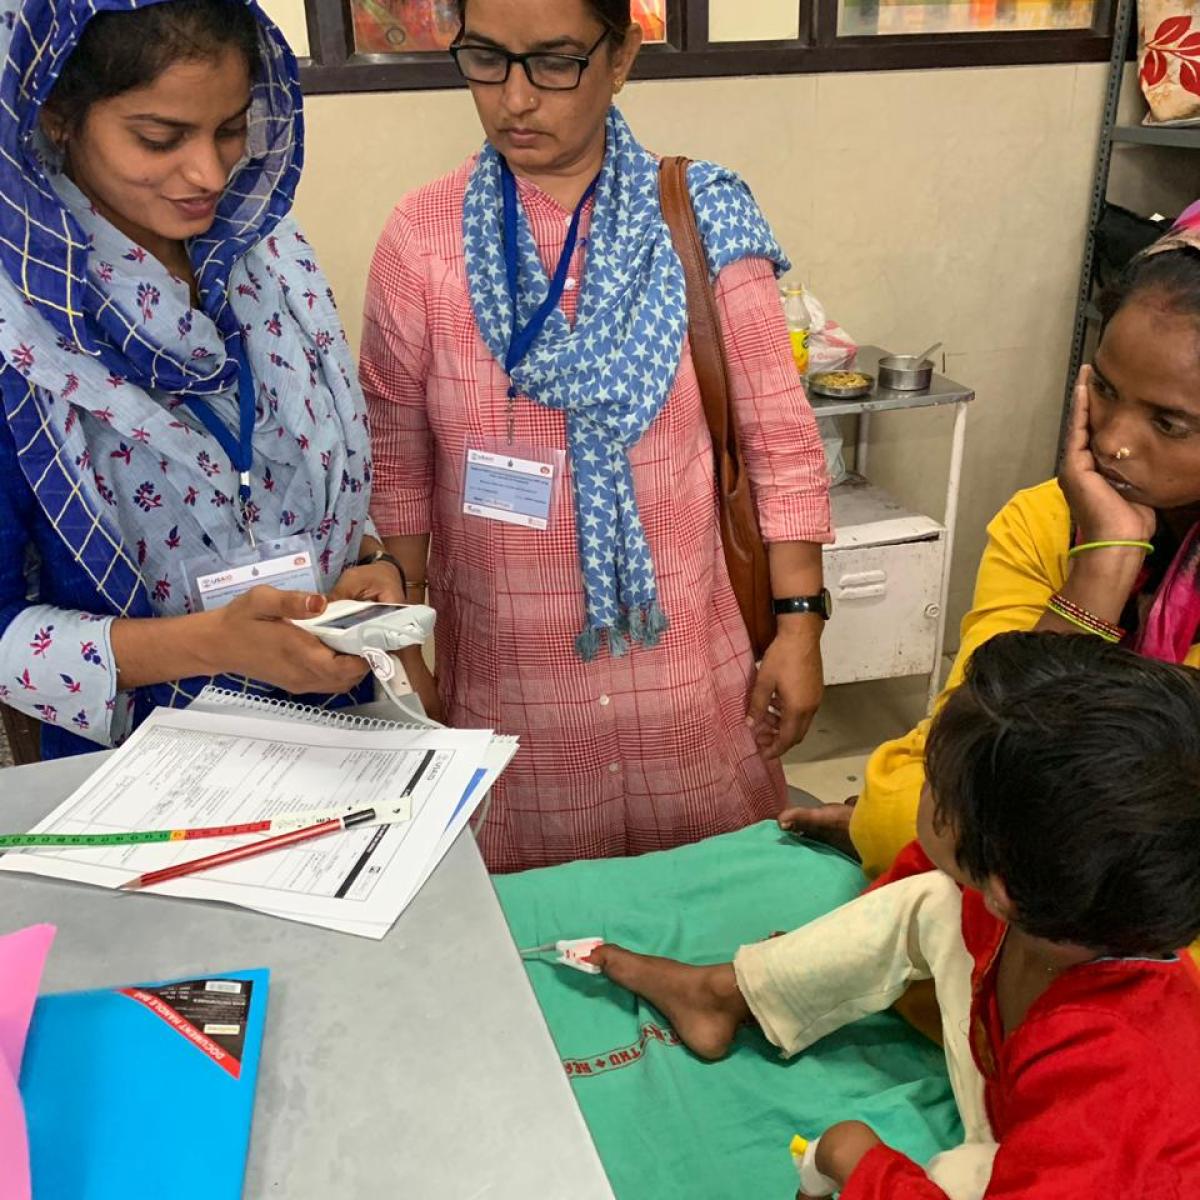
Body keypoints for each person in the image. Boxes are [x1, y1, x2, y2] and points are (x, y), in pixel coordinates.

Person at [362, 0, 832, 872]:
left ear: (620, 57)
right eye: (485, 60)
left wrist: (800, 626)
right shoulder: (422, 238)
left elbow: (780, 436)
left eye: (553, 62)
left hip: (687, 687)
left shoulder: (702, 217)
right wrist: (400, 644)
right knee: (536, 951)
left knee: (707, 925)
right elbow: (395, 451)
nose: (514, 98)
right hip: (514, 699)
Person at [590, 632, 1200, 1198]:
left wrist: (857, 1161)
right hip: (1015, 1090)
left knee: (956, 1171)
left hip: (1035, 1158)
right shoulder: (1056, 904)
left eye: (931, 780)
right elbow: (924, 879)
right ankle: (724, 995)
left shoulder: (1117, 1087)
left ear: (1003, 887)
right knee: (933, 899)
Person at [0, 0, 412, 760]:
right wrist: (210, 645)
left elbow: (287, 484)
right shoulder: (23, 331)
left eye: (230, 128)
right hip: (146, 775)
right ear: (57, 114)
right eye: (160, 138)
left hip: (338, 729)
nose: (209, 173)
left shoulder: (271, 259)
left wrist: (367, 564)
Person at [782, 205, 1200, 928]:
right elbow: (980, 744)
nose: (1117, 443)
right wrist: (1102, 567)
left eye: (1168, 423)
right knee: (900, 811)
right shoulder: (1046, 519)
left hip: (1166, 859)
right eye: (1103, 390)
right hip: (1033, 819)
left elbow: (1154, 818)